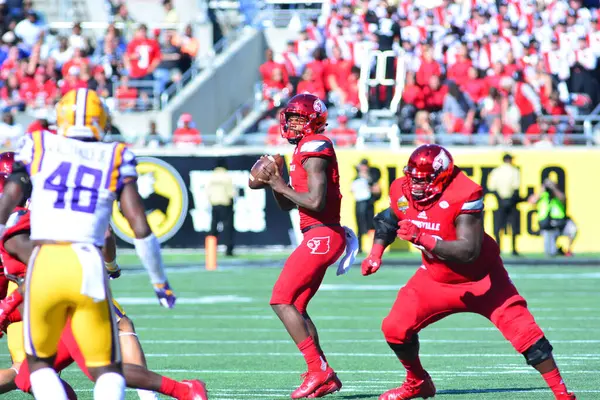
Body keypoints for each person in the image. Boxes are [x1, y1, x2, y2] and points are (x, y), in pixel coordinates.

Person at [0, 88, 178, 400]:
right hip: (87, 264)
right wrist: (159, 280)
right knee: (106, 369)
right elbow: (139, 223)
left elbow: (8, 203)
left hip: (45, 263)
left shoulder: (39, 143)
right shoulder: (116, 154)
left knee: (39, 366)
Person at [361, 144, 576, 400]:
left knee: (530, 340)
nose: (417, 186)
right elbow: (388, 219)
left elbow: (468, 250)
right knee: (394, 328)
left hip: (482, 280)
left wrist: (422, 237)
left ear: (442, 176)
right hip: (435, 277)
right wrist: (376, 253)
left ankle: (563, 395)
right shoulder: (402, 189)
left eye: (425, 180)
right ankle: (418, 382)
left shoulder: (464, 192)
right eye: (413, 179)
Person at [0, 202, 207, 400]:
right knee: (27, 377)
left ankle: (185, 391)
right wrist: (7, 313)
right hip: (50, 305)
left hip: (69, 299)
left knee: (101, 370)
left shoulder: (14, 231)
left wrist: (8, 307)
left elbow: (48, 270)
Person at [258, 94, 347, 398]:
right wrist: (275, 180)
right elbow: (286, 206)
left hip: (322, 234)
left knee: (280, 299)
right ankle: (324, 374)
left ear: (314, 121)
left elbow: (316, 201)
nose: (293, 123)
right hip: (318, 234)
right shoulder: (301, 150)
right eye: (291, 118)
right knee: (295, 305)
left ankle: (317, 368)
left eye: (299, 118)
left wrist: (281, 184)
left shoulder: (315, 145)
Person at [528, 179, 577, 257]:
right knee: (550, 252)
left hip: (560, 223)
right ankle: (557, 249)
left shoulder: (557, 195)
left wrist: (553, 188)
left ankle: (568, 249)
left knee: (573, 229)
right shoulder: (542, 195)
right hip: (547, 226)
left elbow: (563, 198)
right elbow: (531, 201)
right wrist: (542, 190)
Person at [488, 153, 521, 255]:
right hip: (511, 202)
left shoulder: (496, 171)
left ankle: (498, 247)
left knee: (498, 226)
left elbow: (492, 188)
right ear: (510, 160)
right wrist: (510, 200)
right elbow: (516, 188)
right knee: (514, 226)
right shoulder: (514, 171)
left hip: (499, 202)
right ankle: (514, 249)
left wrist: (500, 199)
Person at [351, 159, 381, 254]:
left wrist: (369, 187)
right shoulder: (356, 178)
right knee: (359, 227)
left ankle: (373, 247)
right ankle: (359, 248)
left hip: (368, 204)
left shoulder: (372, 178)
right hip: (359, 203)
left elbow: (377, 190)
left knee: (371, 226)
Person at [207, 157, 236, 257]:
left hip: (214, 204)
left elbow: (208, 192)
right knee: (227, 228)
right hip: (225, 204)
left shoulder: (212, 176)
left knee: (213, 228)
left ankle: (211, 251)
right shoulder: (226, 176)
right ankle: (228, 250)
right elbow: (231, 193)